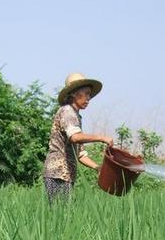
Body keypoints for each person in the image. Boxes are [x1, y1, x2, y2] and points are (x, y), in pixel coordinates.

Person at [43, 72, 114, 202]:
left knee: (64, 213)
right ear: (73, 93)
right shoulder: (67, 112)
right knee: (59, 214)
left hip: (66, 174)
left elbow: (80, 153)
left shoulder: (76, 116)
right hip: (57, 173)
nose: (88, 98)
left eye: (90, 95)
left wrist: (97, 167)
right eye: (86, 93)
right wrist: (102, 138)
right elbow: (75, 138)